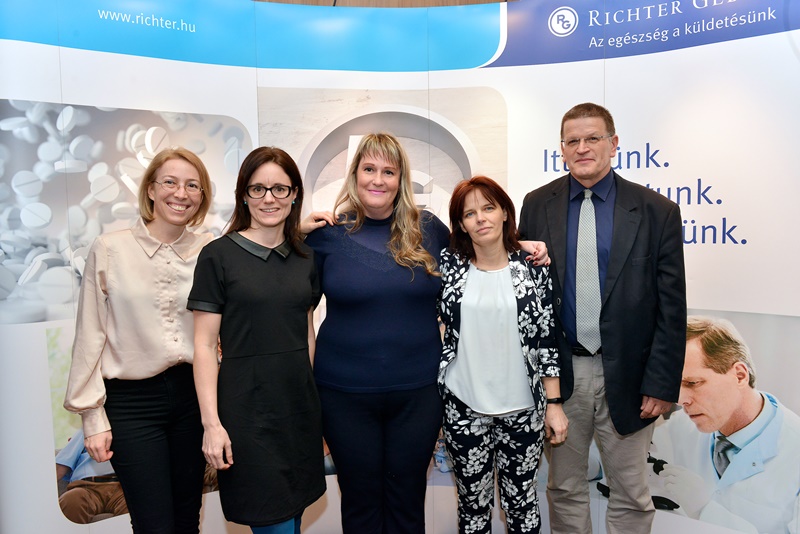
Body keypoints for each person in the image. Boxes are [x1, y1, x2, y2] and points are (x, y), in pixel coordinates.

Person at [303, 133, 548, 534]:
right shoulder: (325, 236)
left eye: (389, 171)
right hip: (344, 395)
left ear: (401, 178)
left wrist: (522, 245)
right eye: (369, 169)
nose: (378, 179)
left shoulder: (428, 229)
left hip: (417, 395)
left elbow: (480, 246)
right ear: (355, 174)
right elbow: (292, 302)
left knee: (406, 501)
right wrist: (294, 228)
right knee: (360, 502)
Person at [517, 102, 687, 534]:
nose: (582, 148)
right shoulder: (536, 205)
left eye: (593, 138)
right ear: (561, 150)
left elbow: (672, 307)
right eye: (572, 141)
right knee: (564, 488)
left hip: (631, 375)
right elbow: (527, 297)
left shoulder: (657, 211)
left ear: (614, 144)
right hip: (561, 374)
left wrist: (661, 383)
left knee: (630, 493)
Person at [64, 147, 213, 533]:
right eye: (170, 182)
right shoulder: (110, 248)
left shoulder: (209, 249)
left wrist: (300, 230)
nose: (181, 193)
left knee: (187, 518)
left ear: (202, 196)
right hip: (132, 405)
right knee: (153, 524)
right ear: (150, 189)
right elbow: (90, 334)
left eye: (192, 185)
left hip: (192, 396)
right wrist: (92, 417)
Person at [189, 146, 325, 534]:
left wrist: (314, 406)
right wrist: (212, 425)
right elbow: (203, 346)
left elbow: (306, 332)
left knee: (294, 516)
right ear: (244, 195)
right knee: (272, 521)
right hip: (247, 416)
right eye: (258, 189)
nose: (269, 198)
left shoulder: (305, 258)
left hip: (298, 412)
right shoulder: (217, 256)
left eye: (280, 189)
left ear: (295, 194)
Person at [437, 176, 568, 534]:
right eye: (469, 214)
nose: (480, 218)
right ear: (461, 224)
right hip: (464, 408)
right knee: (472, 510)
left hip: (523, 411)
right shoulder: (449, 265)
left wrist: (554, 404)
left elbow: (546, 338)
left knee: (523, 508)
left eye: (488, 208)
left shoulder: (533, 267)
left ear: (505, 213)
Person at [654, 316, 800, 534]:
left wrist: (705, 510)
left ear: (740, 376)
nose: (681, 400)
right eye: (675, 387)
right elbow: (618, 464)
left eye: (693, 383)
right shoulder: (680, 427)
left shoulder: (795, 451)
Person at [55, 428, 128, 524]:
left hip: (123, 488)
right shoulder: (87, 429)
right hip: (87, 487)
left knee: (138, 503)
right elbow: (59, 468)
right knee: (72, 500)